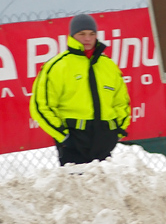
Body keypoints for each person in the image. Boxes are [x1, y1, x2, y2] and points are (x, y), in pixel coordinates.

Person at [29, 13, 131, 166]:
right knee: (77, 187)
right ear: (72, 36)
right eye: (81, 34)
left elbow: (122, 103)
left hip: (103, 141)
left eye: (92, 34)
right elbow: (41, 106)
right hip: (73, 142)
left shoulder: (108, 66)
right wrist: (63, 136)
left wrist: (115, 132)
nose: (87, 38)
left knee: (105, 186)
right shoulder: (57, 66)